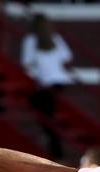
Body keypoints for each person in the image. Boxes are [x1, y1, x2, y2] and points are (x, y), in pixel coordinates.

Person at [21, 14, 74, 159]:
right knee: (49, 116)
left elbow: (27, 62)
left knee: (46, 118)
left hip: (44, 84)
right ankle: (53, 146)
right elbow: (67, 56)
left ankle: (56, 151)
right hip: (59, 82)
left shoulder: (30, 40)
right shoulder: (55, 37)